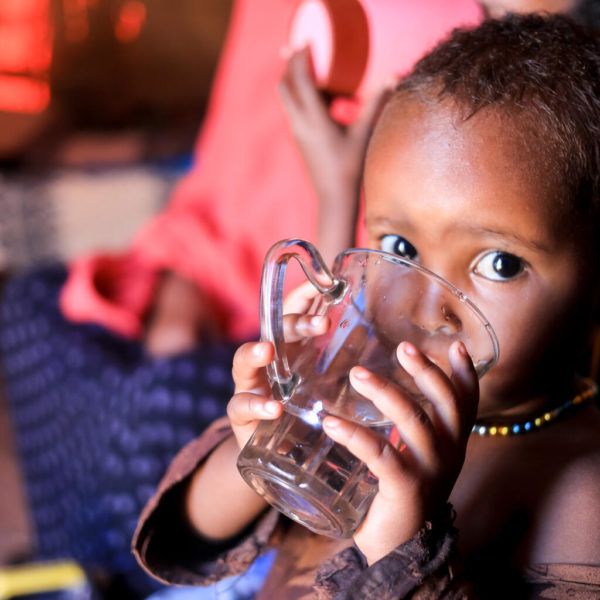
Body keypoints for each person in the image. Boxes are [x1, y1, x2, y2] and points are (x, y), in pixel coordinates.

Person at [132, 13, 600, 599]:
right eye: (399, 248)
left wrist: (406, 547)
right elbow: (195, 535)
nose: (428, 308)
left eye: (499, 263)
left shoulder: (582, 494)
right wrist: (258, 444)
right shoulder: (363, 389)